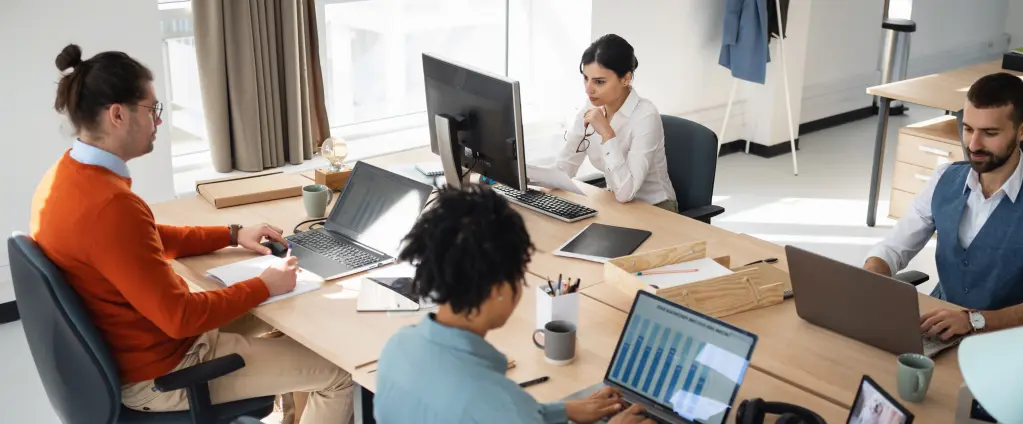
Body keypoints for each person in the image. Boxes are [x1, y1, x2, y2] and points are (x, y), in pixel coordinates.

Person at [30, 44, 353, 423]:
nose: (159, 122)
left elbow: (144, 237)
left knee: (282, 313)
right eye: (153, 110)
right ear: (118, 115)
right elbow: (180, 317)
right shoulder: (110, 206)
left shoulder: (65, 177)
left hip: (139, 347)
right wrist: (264, 285)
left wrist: (233, 235)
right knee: (338, 374)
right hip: (165, 371)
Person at [373, 186, 652, 424]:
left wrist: (562, 410)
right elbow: (500, 411)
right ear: (498, 291)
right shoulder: (500, 404)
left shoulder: (397, 348)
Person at [864, 72, 1023, 340]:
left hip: (1006, 339)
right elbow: (893, 248)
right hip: (941, 326)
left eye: (990, 133)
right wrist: (872, 277)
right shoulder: (945, 178)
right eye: (968, 129)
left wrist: (972, 320)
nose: (973, 145)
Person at [555, 34, 679, 212]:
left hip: (657, 209)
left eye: (599, 82)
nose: (588, 89)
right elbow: (566, 166)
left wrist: (607, 133)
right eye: (585, 78)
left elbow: (625, 193)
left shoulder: (646, 116)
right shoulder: (591, 106)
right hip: (616, 203)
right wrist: (536, 180)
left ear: (626, 79)